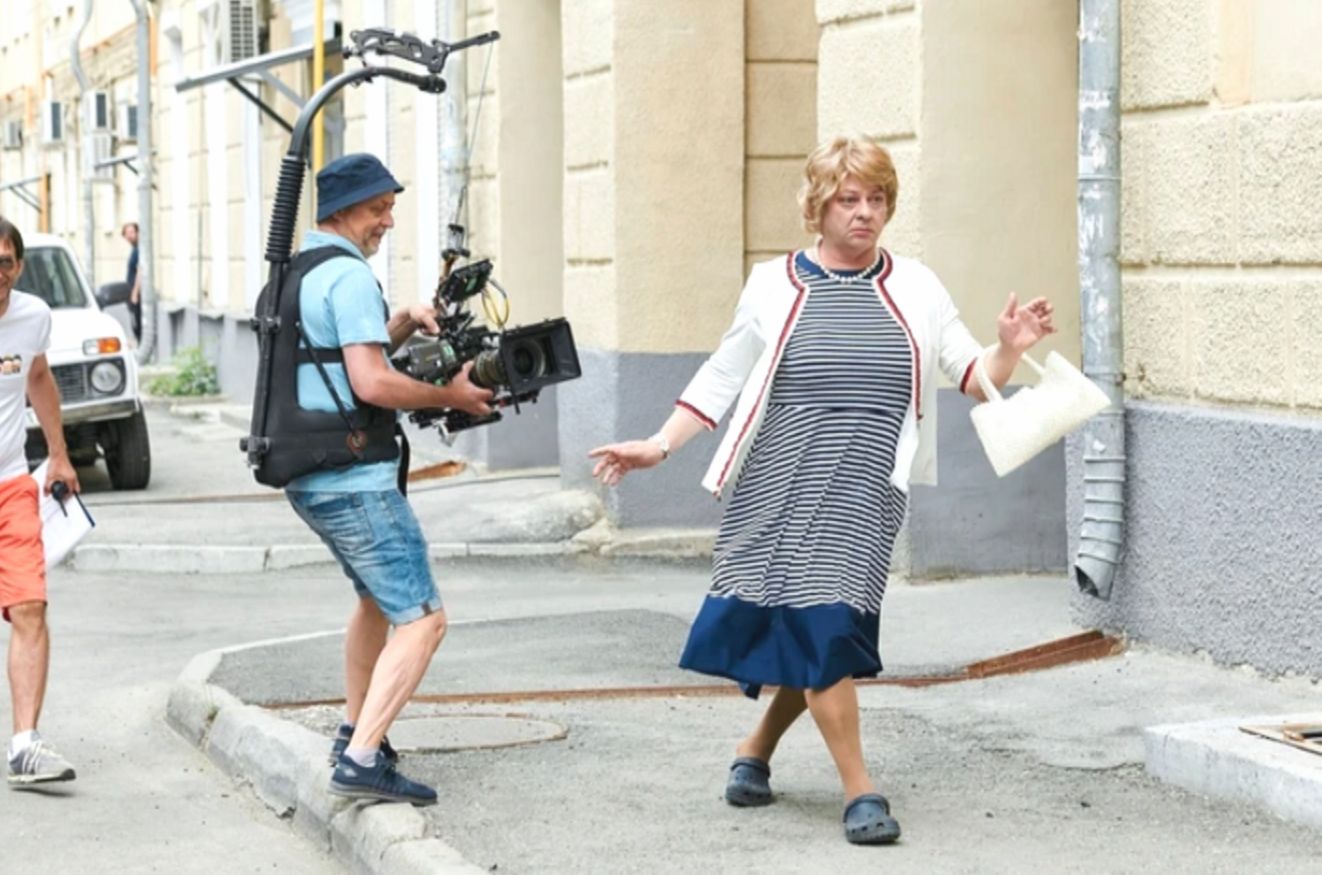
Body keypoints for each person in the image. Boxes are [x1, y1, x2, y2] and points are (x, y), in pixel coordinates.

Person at [589, 137, 1055, 845]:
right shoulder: (772, 283)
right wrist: (658, 445)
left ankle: (762, 751)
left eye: (877, 199)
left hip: (865, 491)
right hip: (779, 482)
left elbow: (971, 375)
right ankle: (855, 789)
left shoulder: (918, 287)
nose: (865, 212)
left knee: (824, 626)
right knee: (812, 630)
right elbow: (722, 374)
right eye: (849, 199)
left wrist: (1010, 349)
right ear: (818, 206)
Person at [283, 154, 493, 805]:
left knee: (376, 601)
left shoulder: (301, 269)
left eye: (391, 208)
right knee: (424, 620)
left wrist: (399, 321)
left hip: (311, 473)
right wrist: (453, 397)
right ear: (342, 210)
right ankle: (362, 757)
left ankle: (354, 728)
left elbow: (337, 357)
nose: (388, 221)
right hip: (355, 480)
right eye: (379, 208)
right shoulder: (349, 277)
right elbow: (371, 382)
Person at [0, 216, 80, 787]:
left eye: (4, 262)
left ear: (19, 266)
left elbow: (39, 378)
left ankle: (25, 744)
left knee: (30, 605)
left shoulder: (33, 317)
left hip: (11, 486)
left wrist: (59, 455)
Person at [122, 222, 141, 343]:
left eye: (132, 232)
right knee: (135, 323)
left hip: (138, 295)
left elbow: (140, 271)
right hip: (133, 292)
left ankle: (141, 346)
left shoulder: (139, 249)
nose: (129, 236)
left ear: (137, 233)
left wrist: (135, 292)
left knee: (137, 324)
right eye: (127, 233)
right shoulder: (134, 249)